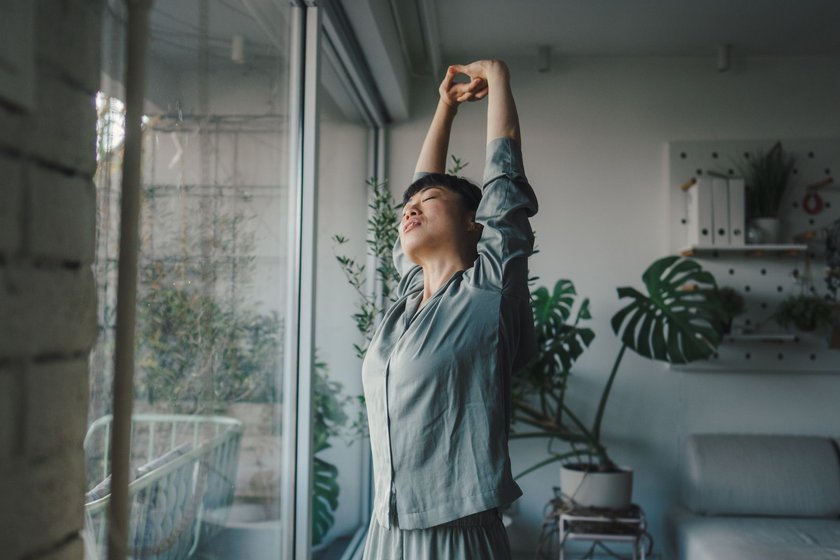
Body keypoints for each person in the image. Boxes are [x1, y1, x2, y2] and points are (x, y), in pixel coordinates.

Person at [361, 59, 538, 559]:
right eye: (407, 207)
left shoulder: (487, 291)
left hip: (456, 535)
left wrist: (499, 77)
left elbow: (505, 192)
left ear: (472, 224)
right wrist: (444, 108)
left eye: (430, 200)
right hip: (386, 528)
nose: (410, 209)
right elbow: (419, 186)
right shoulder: (407, 302)